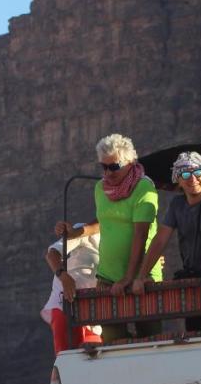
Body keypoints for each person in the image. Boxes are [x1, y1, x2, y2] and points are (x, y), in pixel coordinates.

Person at [55, 133, 163, 293]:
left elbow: (141, 235)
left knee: (147, 319)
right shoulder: (101, 188)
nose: (108, 173)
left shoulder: (144, 188)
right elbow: (104, 221)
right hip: (107, 278)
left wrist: (129, 277)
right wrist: (75, 232)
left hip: (142, 278)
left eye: (114, 167)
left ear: (131, 163)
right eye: (104, 167)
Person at [133, 151, 201, 295]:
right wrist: (142, 276)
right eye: (185, 175)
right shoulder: (177, 204)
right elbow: (160, 240)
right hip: (196, 279)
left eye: (197, 172)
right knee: (195, 316)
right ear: (179, 180)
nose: (192, 179)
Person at [40, 225, 102, 354]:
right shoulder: (84, 230)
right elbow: (52, 254)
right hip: (67, 304)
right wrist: (64, 276)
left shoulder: (120, 240)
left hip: (94, 313)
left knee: (93, 360)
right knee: (66, 358)